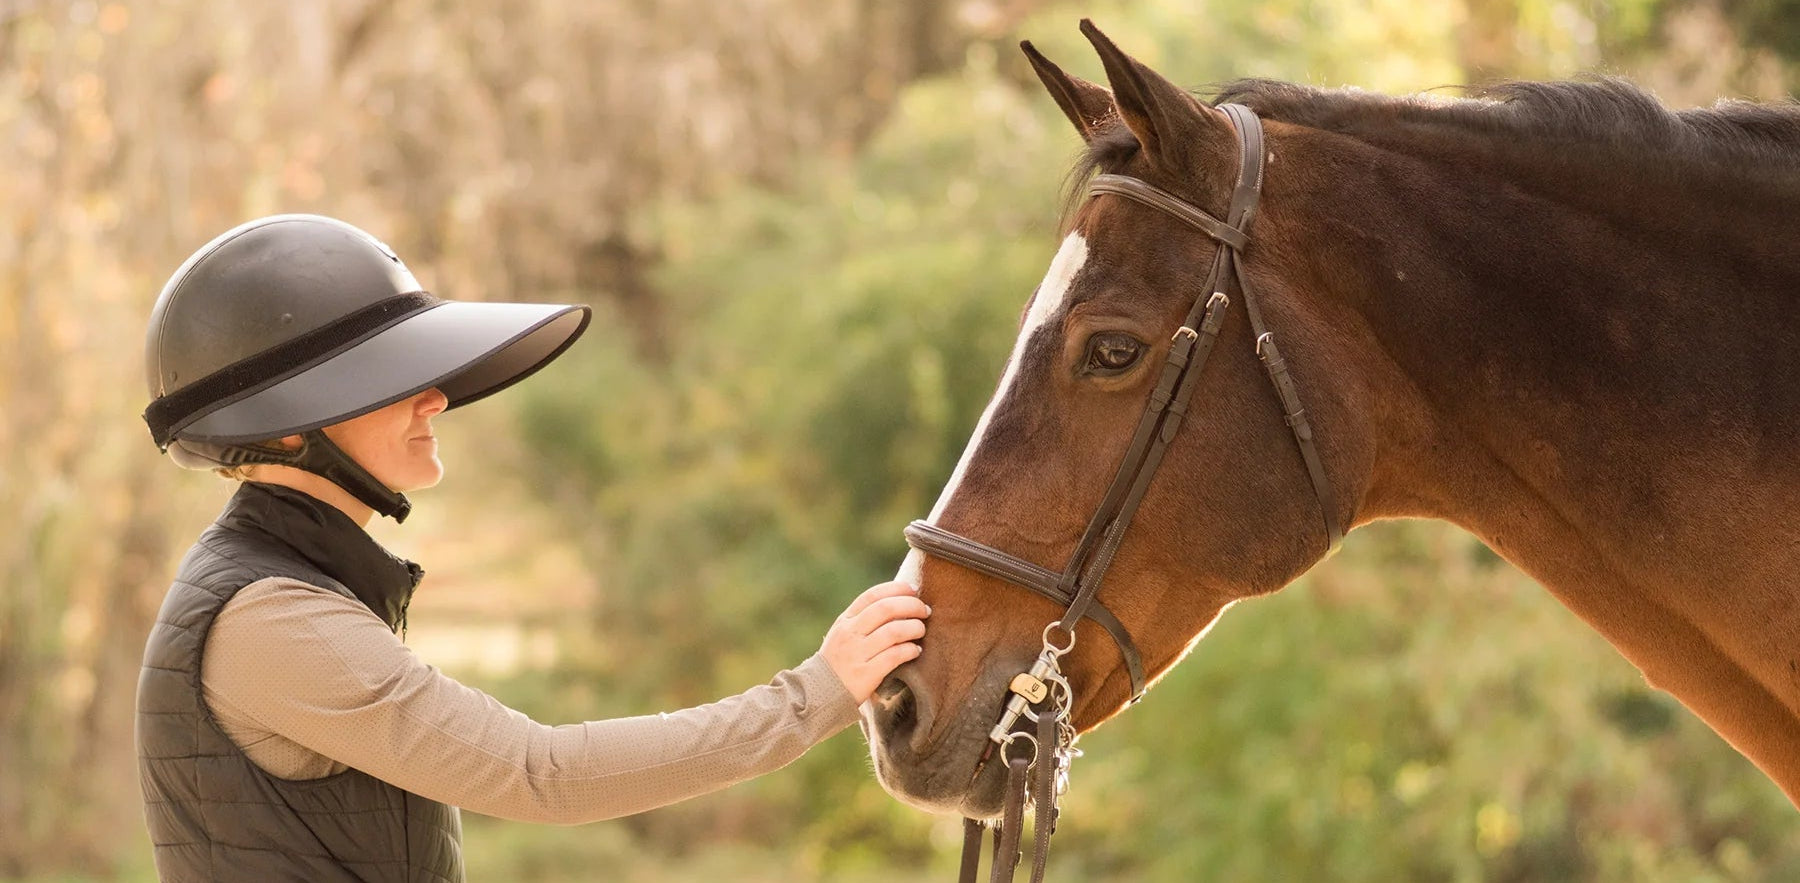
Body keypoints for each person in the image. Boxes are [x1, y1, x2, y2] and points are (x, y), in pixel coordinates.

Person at [135, 214, 928, 882]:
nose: (435, 397)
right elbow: (541, 774)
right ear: (284, 427)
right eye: (385, 378)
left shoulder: (286, 584)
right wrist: (815, 691)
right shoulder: (272, 618)